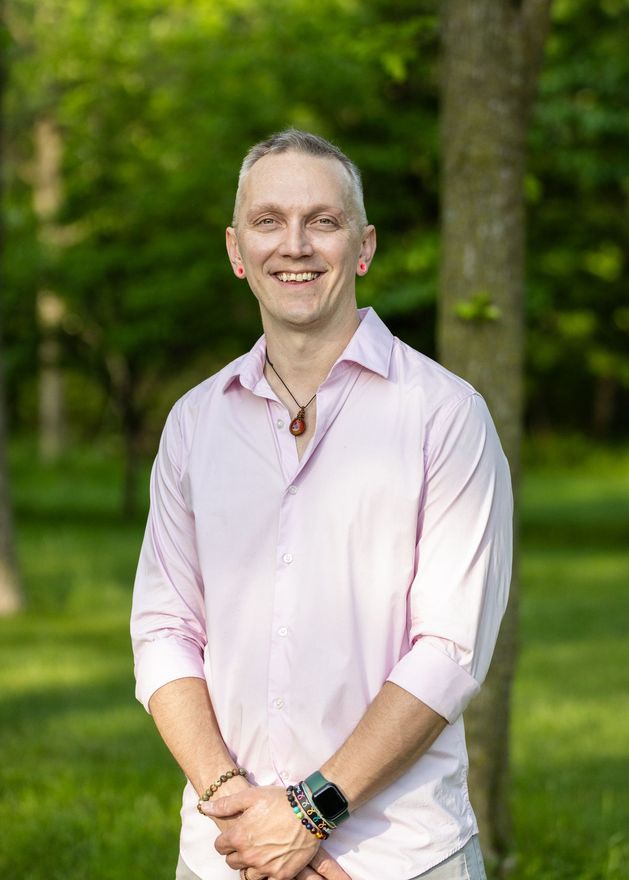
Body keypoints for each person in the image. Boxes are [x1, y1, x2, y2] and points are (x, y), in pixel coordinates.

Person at [130, 129, 513, 880]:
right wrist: (237, 806)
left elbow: (449, 650)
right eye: (268, 221)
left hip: (400, 858)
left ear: (362, 247)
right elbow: (163, 631)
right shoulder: (193, 425)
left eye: (323, 222)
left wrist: (307, 813)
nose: (295, 245)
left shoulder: (443, 415)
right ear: (237, 251)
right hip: (225, 854)